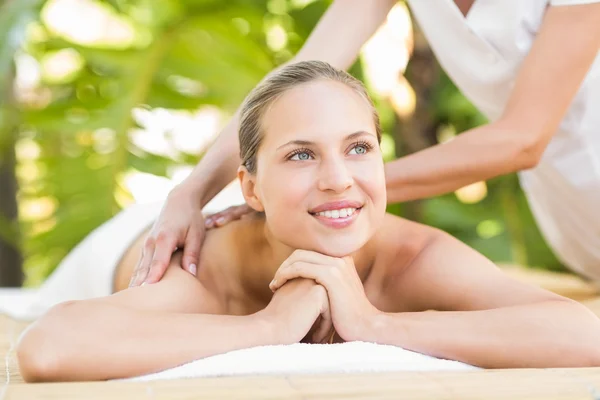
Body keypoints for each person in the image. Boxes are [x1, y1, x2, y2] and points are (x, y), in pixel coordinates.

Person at [16, 61, 600, 382]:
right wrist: (267, 328)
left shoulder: (414, 256)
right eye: (300, 154)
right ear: (250, 188)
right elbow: (48, 347)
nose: (338, 179)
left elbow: (582, 334)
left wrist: (378, 325)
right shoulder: (199, 265)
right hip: (126, 242)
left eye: (358, 148)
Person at [127, 0, 600, 287]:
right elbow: (292, 81)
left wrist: (331, 186)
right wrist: (190, 192)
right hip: (567, 197)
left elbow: (521, 138)